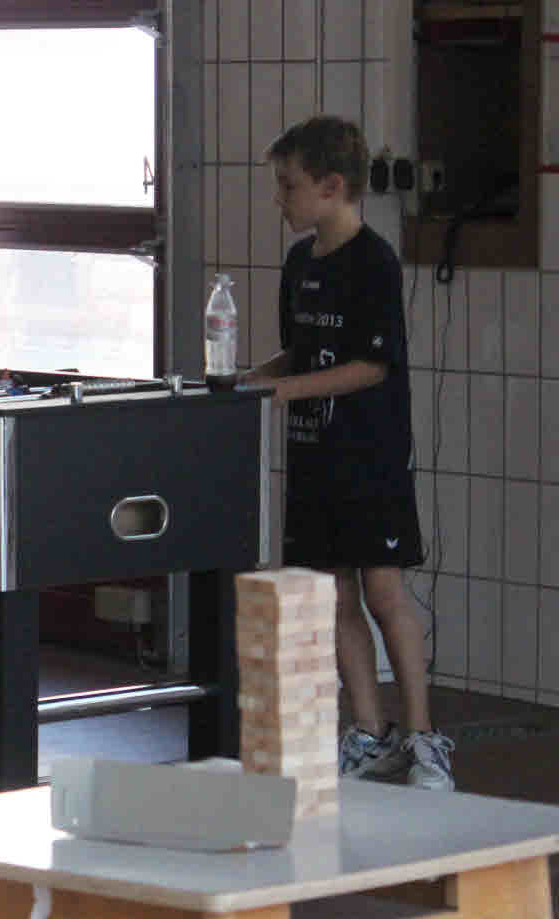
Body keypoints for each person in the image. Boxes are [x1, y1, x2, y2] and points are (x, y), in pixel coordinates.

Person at [234, 114, 454, 791]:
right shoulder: (300, 264)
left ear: (331, 187)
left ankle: (422, 737)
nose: (280, 199)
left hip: (369, 454)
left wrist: (285, 391)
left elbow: (369, 366)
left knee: (383, 591)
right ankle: (368, 730)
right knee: (334, 596)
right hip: (314, 456)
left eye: (289, 186)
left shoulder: (373, 262)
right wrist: (249, 381)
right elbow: (301, 353)